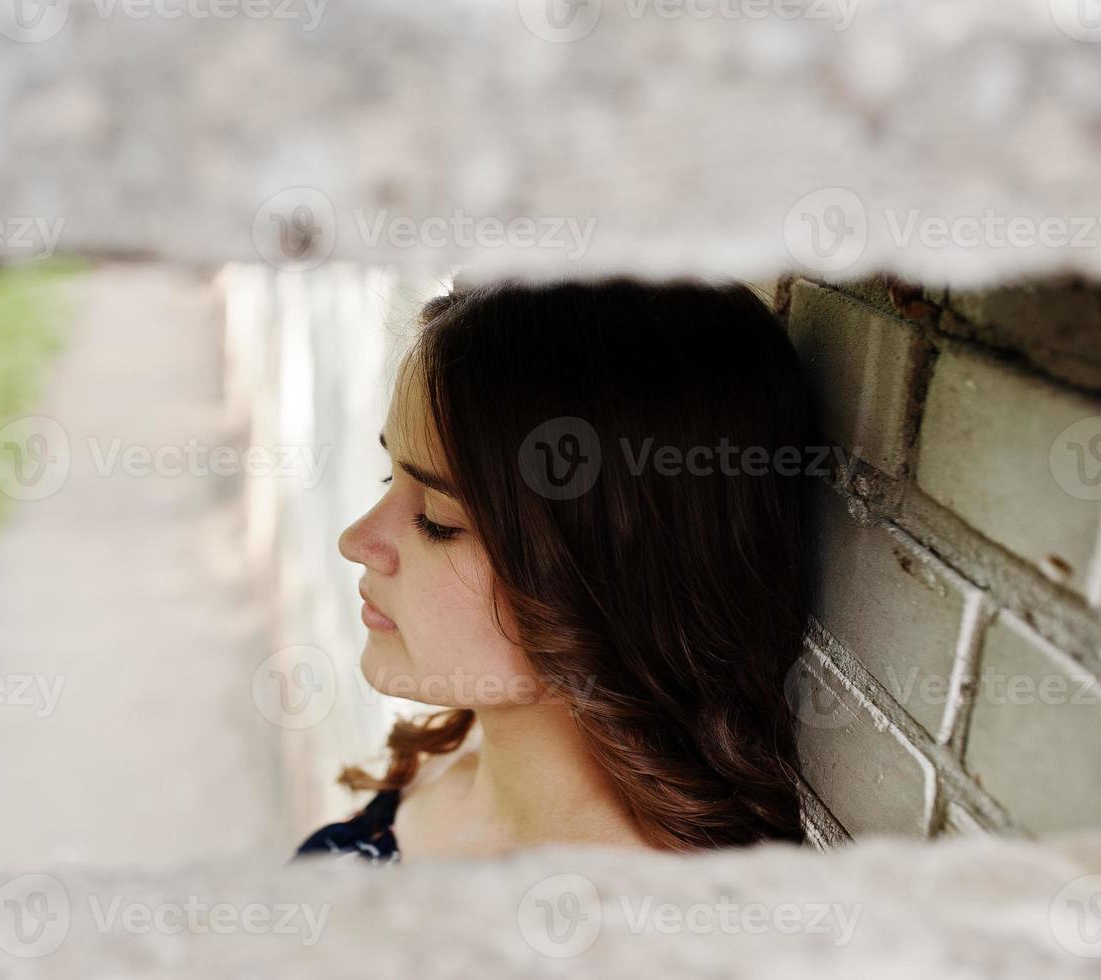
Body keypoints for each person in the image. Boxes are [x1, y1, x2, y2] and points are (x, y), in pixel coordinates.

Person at [291, 276, 814, 865]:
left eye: (438, 520)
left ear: (611, 579)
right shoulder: (436, 767)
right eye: (392, 478)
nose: (356, 541)